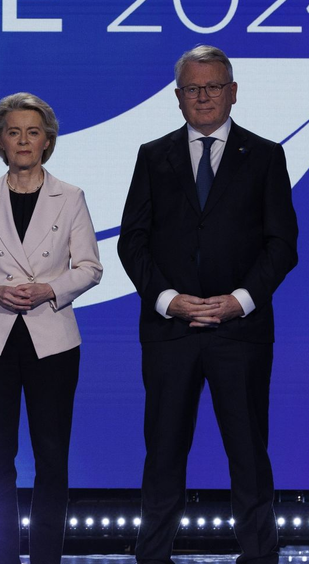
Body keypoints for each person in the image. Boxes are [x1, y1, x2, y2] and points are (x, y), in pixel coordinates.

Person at [118, 45, 299, 564]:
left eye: (214, 86)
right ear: (177, 98)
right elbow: (133, 241)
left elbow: (281, 243)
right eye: (193, 88)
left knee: (247, 453)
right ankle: (152, 556)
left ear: (233, 92)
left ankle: (261, 555)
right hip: (171, 335)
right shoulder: (153, 156)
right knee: (164, 454)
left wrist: (239, 302)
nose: (204, 96)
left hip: (238, 334)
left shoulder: (265, 156)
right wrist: (169, 300)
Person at [0, 93, 103, 564]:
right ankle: (3, 558)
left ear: (47, 141)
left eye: (32, 132)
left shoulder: (71, 197)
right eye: (13, 132)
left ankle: (45, 559)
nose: (23, 140)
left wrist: (50, 289)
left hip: (51, 338)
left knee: (52, 459)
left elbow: (90, 268)